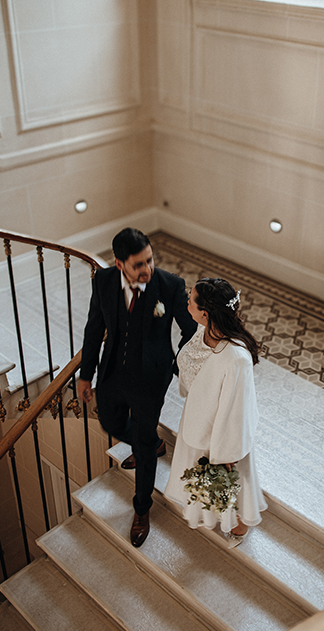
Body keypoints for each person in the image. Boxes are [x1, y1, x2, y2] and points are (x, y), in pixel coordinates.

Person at [78, 228, 196, 548]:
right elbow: (94, 329)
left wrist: (173, 365)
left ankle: (142, 508)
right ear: (120, 264)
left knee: (141, 445)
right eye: (138, 264)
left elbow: (191, 331)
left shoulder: (170, 286)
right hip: (113, 371)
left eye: (150, 260)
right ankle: (153, 444)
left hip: (150, 379)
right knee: (111, 422)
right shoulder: (103, 282)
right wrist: (86, 375)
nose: (147, 269)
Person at [164, 277, 267, 544]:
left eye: (191, 298)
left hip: (222, 434)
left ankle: (241, 523)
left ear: (205, 313)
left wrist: (225, 454)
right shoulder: (205, 329)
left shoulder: (237, 359)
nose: (187, 299)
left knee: (231, 481)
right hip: (199, 418)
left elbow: (237, 411)